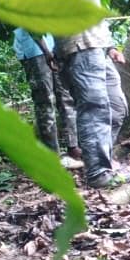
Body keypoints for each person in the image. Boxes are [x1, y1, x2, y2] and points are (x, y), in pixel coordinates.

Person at [27, 0, 130, 188]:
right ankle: (98, 174)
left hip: (97, 45)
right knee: (94, 108)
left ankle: (102, 161)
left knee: (117, 107)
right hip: (81, 45)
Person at [12, 26, 83, 169]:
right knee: (45, 102)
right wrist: (46, 51)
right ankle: (52, 155)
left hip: (56, 47)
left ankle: (73, 147)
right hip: (35, 51)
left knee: (65, 97)